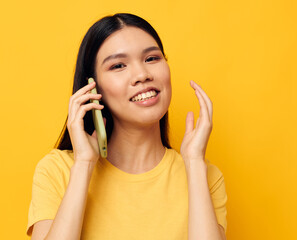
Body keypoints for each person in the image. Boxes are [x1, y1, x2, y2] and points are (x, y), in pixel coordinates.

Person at [26, 13, 227, 240]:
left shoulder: (205, 175)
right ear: (92, 88)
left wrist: (194, 163)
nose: (142, 75)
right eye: (118, 65)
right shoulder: (57, 171)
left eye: (151, 58)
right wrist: (84, 164)